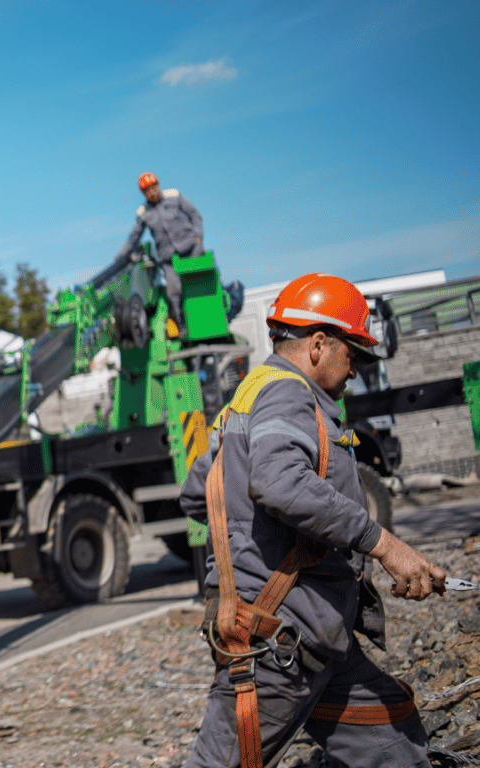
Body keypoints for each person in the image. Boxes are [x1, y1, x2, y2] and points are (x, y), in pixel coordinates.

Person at [179, 273, 449, 768]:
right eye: (354, 355)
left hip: (318, 641)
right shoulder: (288, 394)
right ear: (319, 344)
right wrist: (385, 545)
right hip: (278, 646)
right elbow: (279, 484)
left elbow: (200, 493)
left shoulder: (248, 396)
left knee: (394, 742)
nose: (355, 371)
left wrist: (252, 537)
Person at [114, 172, 203, 335]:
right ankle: (182, 326)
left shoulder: (174, 196)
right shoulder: (144, 213)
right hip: (169, 258)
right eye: (147, 191)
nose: (152, 193)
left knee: (198, 285)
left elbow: (195, 215)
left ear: (158, 186)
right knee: (174, 291)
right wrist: (120, 257)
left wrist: (198, 239)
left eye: (153, 188)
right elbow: (133, 238)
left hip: (191, 249)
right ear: (143, 194)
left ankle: (205, 321)